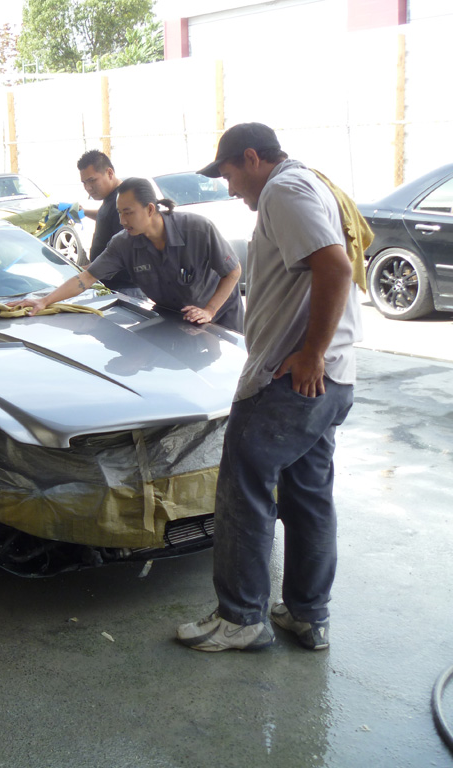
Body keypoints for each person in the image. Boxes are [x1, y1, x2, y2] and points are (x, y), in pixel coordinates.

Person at [176, 122, 362, 653]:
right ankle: (307, 614)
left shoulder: (285, 189)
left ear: (252, 158)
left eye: (229, 174)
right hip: (326, 382)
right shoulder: (310, 184)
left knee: (243, 489)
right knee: (308, 497)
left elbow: (335, 267)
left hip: (292, 380)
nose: (230, 188)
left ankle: (241, 618)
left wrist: (310, 353)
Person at [11, 177, 244, 333]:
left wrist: (210, 310)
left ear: (150, 209)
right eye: (119, 213)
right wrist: (44, 301)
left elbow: (233, 271)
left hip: (220, 313)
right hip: (179, 317)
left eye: (128, 213)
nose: (122, 221)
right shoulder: (123, 243)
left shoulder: (197, 229)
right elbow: (87, 278)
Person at [76, 150, 138, 296]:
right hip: (109, 284)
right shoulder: (111, 198)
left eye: (92, 180)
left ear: (109, 173)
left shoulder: (123, 200)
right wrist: (85, 212)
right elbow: (106, 217)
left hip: (124, 289)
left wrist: (84, 270)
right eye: (84, 182)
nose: (88, 188)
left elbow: (122, 254)